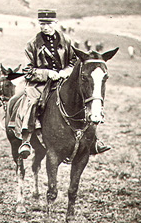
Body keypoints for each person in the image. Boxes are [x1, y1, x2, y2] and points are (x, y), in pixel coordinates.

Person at [9, 9, 110, 158]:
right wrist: (47, 73)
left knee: (84, 98)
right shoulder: (32, 44)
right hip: (40, 83)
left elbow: (74, 61)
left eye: (49, 23)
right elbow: (28, 70)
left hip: (64, 79)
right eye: (42, 24)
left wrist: (66, 71)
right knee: (31, 99)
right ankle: (27, 140)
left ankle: (93, 140)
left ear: (55, 23)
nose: (45, 27)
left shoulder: (67, 41)